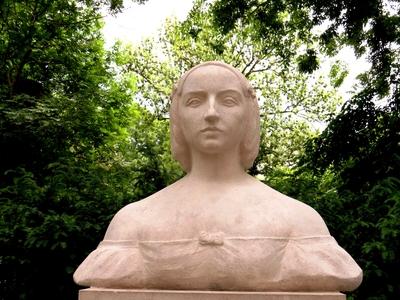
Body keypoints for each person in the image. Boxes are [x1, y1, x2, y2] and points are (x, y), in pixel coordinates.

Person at [74, 61, 362, 291]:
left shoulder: (299, 222)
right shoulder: (132, 223)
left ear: (247, 116)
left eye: (227, 100)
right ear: (178, 118)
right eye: (195, 101)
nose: (211, 113)